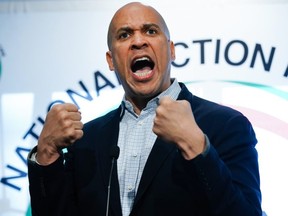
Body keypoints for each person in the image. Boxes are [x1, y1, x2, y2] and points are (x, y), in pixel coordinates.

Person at [27, 2, 262, 216]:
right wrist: (46, 152)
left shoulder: (226, 125)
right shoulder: (87, 140)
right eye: (124, 34)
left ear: (171, 50)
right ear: (111, 60)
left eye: (151, 31)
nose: (138, 41)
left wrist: (199, 148)